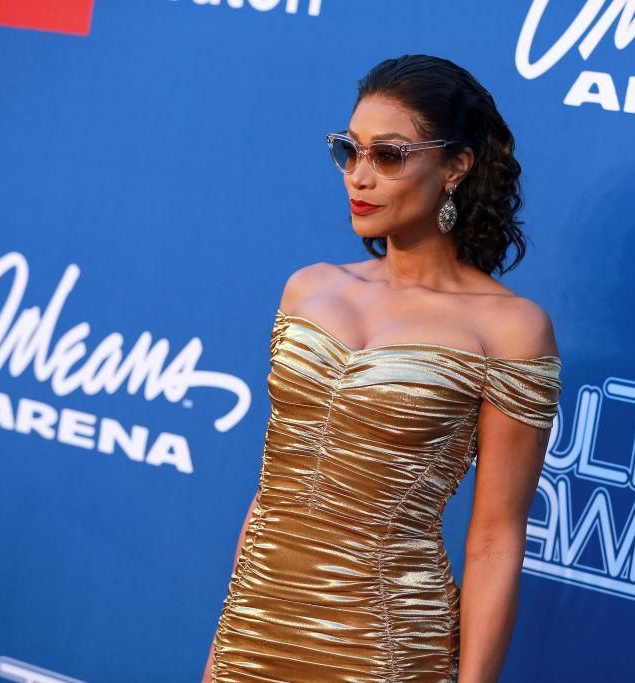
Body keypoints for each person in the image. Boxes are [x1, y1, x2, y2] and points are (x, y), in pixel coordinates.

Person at [202, 53, 562, 683]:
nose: (359, 177)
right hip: (255, 633)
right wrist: (224, 649)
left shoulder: (510, 330)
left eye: (389, 156)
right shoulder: (308, 290)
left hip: (385, 645)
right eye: (350, 151)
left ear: (456, 166)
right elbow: (273, 493)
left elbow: (495, 541)